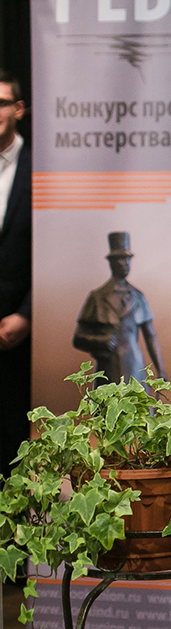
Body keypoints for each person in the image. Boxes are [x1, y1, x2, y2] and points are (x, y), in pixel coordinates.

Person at [73, 232, 168, 384]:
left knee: (136, 398)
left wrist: (161, 370)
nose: (126, 263)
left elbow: (150, 336)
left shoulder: (138, 297)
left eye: (128, 259)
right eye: (121, 259)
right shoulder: (97, 297)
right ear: (111, 262)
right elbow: (78, 338)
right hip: (108, 368)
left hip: (134, 367)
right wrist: (100, 341)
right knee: (108, 398)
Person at [0, 69, 30, 473]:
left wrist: (27, 314)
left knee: (14, 451)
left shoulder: (42, 170)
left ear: (19, 109)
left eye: (2, 102)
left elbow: (59, 252)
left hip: (21, 339)